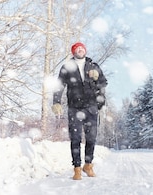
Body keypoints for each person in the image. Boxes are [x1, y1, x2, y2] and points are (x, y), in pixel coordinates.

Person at [52, 42, 107, 180]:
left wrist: (97, 78)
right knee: (75, 138)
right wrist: (56, 102)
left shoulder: (93, 65)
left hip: (91, 107)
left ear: (85, 51)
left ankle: (88, 165)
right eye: (77, 49)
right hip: (74, 107)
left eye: (82, 48)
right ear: (73, 52)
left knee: (91, 137)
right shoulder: (67, 67)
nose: (80, 50)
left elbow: (103, 82)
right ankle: (77, 168)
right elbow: (59, 85)